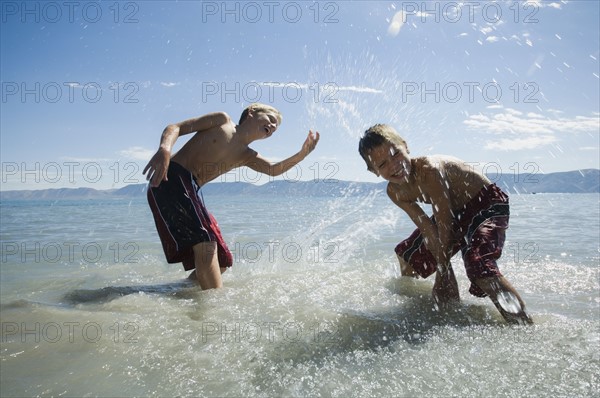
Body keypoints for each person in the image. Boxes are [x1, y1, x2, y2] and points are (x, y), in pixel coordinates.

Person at [358, 124, 532, 324]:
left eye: (395, 153)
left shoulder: (429, 170)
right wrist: (445, 273)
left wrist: (443, 271)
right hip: (456, 213)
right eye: (382, 164)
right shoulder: (395, 192)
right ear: (373, 171)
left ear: (405, 146)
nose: (394, 165)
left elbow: (445, 221)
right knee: (408, 255)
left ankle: (522, 325)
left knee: (479, 266)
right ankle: (428, 310)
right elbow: (428, 229)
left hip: (486, 204)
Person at [143, 103, 320, 290]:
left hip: (192, 189)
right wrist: (165, 149)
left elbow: (274, 170)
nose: (273, 127)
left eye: (275, 128)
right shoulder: (221, 121)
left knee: (221, 261)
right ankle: (213, 309)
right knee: (206, 244)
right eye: (271, 120)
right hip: (171, 177)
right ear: (251, 113)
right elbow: (175, 127)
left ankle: (175, 291)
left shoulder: (247, 155)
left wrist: (302, 154)